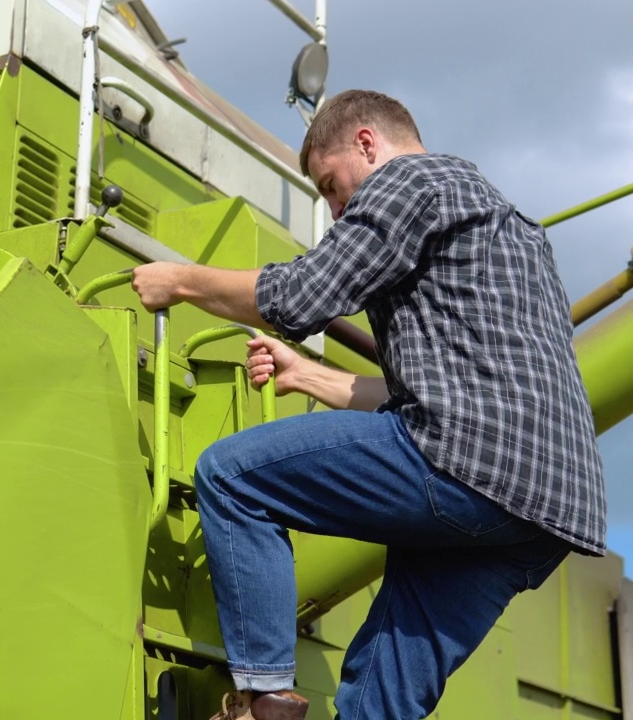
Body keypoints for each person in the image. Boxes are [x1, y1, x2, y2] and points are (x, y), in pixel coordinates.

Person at [130, 89, 605, 720]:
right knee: (378, 703)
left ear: (366, 142)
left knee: (234, 477)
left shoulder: (411, 180)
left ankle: (263, 698)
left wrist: (180, 279)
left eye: (330, 185)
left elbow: (304, 294)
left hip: (463, 463)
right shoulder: (511, 227)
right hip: (543, 512)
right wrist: (313, 377)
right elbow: (441, 391)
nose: (335, 209)